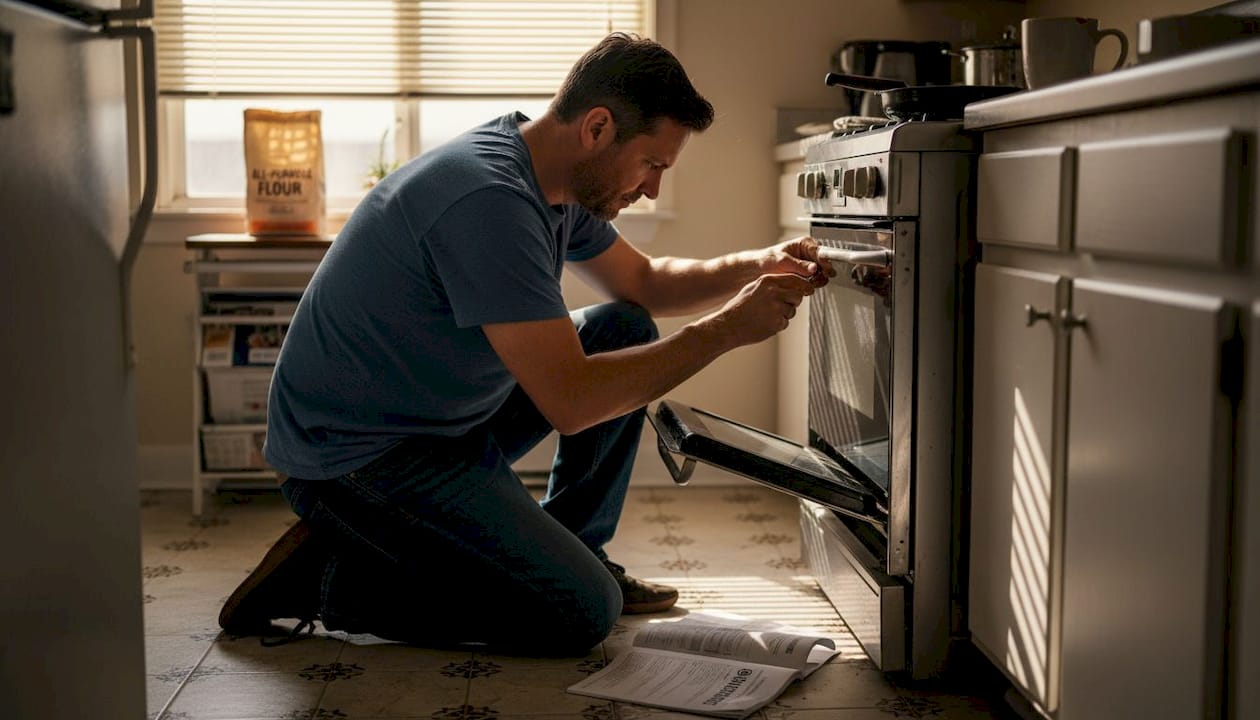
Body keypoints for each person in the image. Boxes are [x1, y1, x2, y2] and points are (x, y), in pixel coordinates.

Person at [218, 32, 833, 655]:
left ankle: (571, 547)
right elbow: (571, 400)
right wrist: (727, 328)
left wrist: (760, 263)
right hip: (356, 459)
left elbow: (644, 284)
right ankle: (325, 581)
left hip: (443, 425)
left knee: (624, 324)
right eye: (652, 165)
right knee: (581, 614)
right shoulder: (489, 201)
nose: (651, 189)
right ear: (597, 128)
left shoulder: (555, 179)